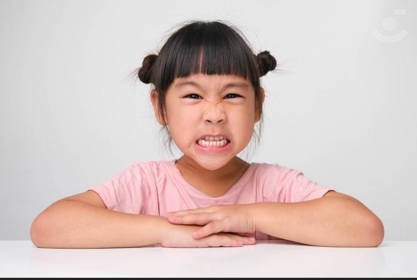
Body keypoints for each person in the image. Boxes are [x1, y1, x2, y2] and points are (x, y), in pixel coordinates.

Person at [30, 20, 384, 249]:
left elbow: (365, 228)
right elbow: (49, 227)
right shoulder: (146, 182)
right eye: (193, 96)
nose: (214, 114)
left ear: (258, 106)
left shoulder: (274, 185)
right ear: (160, 109)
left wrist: (247, 216)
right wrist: (166, 231)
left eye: (232, 95)